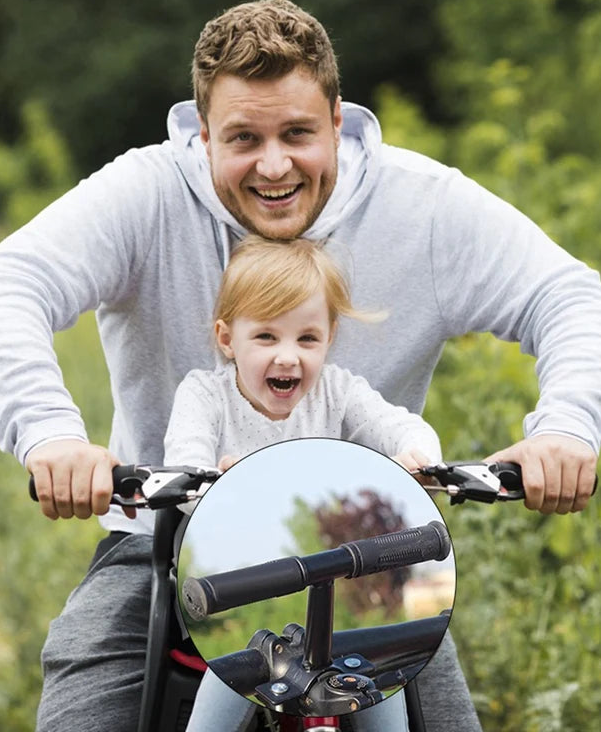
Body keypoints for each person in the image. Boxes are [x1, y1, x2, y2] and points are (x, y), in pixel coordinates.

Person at [0, 0, 601, 732]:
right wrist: (52, 435)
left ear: (338, 122)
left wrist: (564, 430)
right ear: (205, 135)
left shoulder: (424, 209)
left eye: (299, 133)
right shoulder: (143, 195)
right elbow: (3, 286)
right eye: (243, 138)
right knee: (85, 697)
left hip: (368, 557)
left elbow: (570, 297)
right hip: (166, 541)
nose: (274, 166)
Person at [171, 235, 440, 731]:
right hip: (233, 581)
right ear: (228, 339)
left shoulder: (337, 390)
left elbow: (402, 425)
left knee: (378, 674)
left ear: (330, 336)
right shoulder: (204, 396)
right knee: (233, 668)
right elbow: (185, 462)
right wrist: (212, 484)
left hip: (329, 578)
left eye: (307, 338)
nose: (289, 357)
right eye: (267, 338)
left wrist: (416, 458)